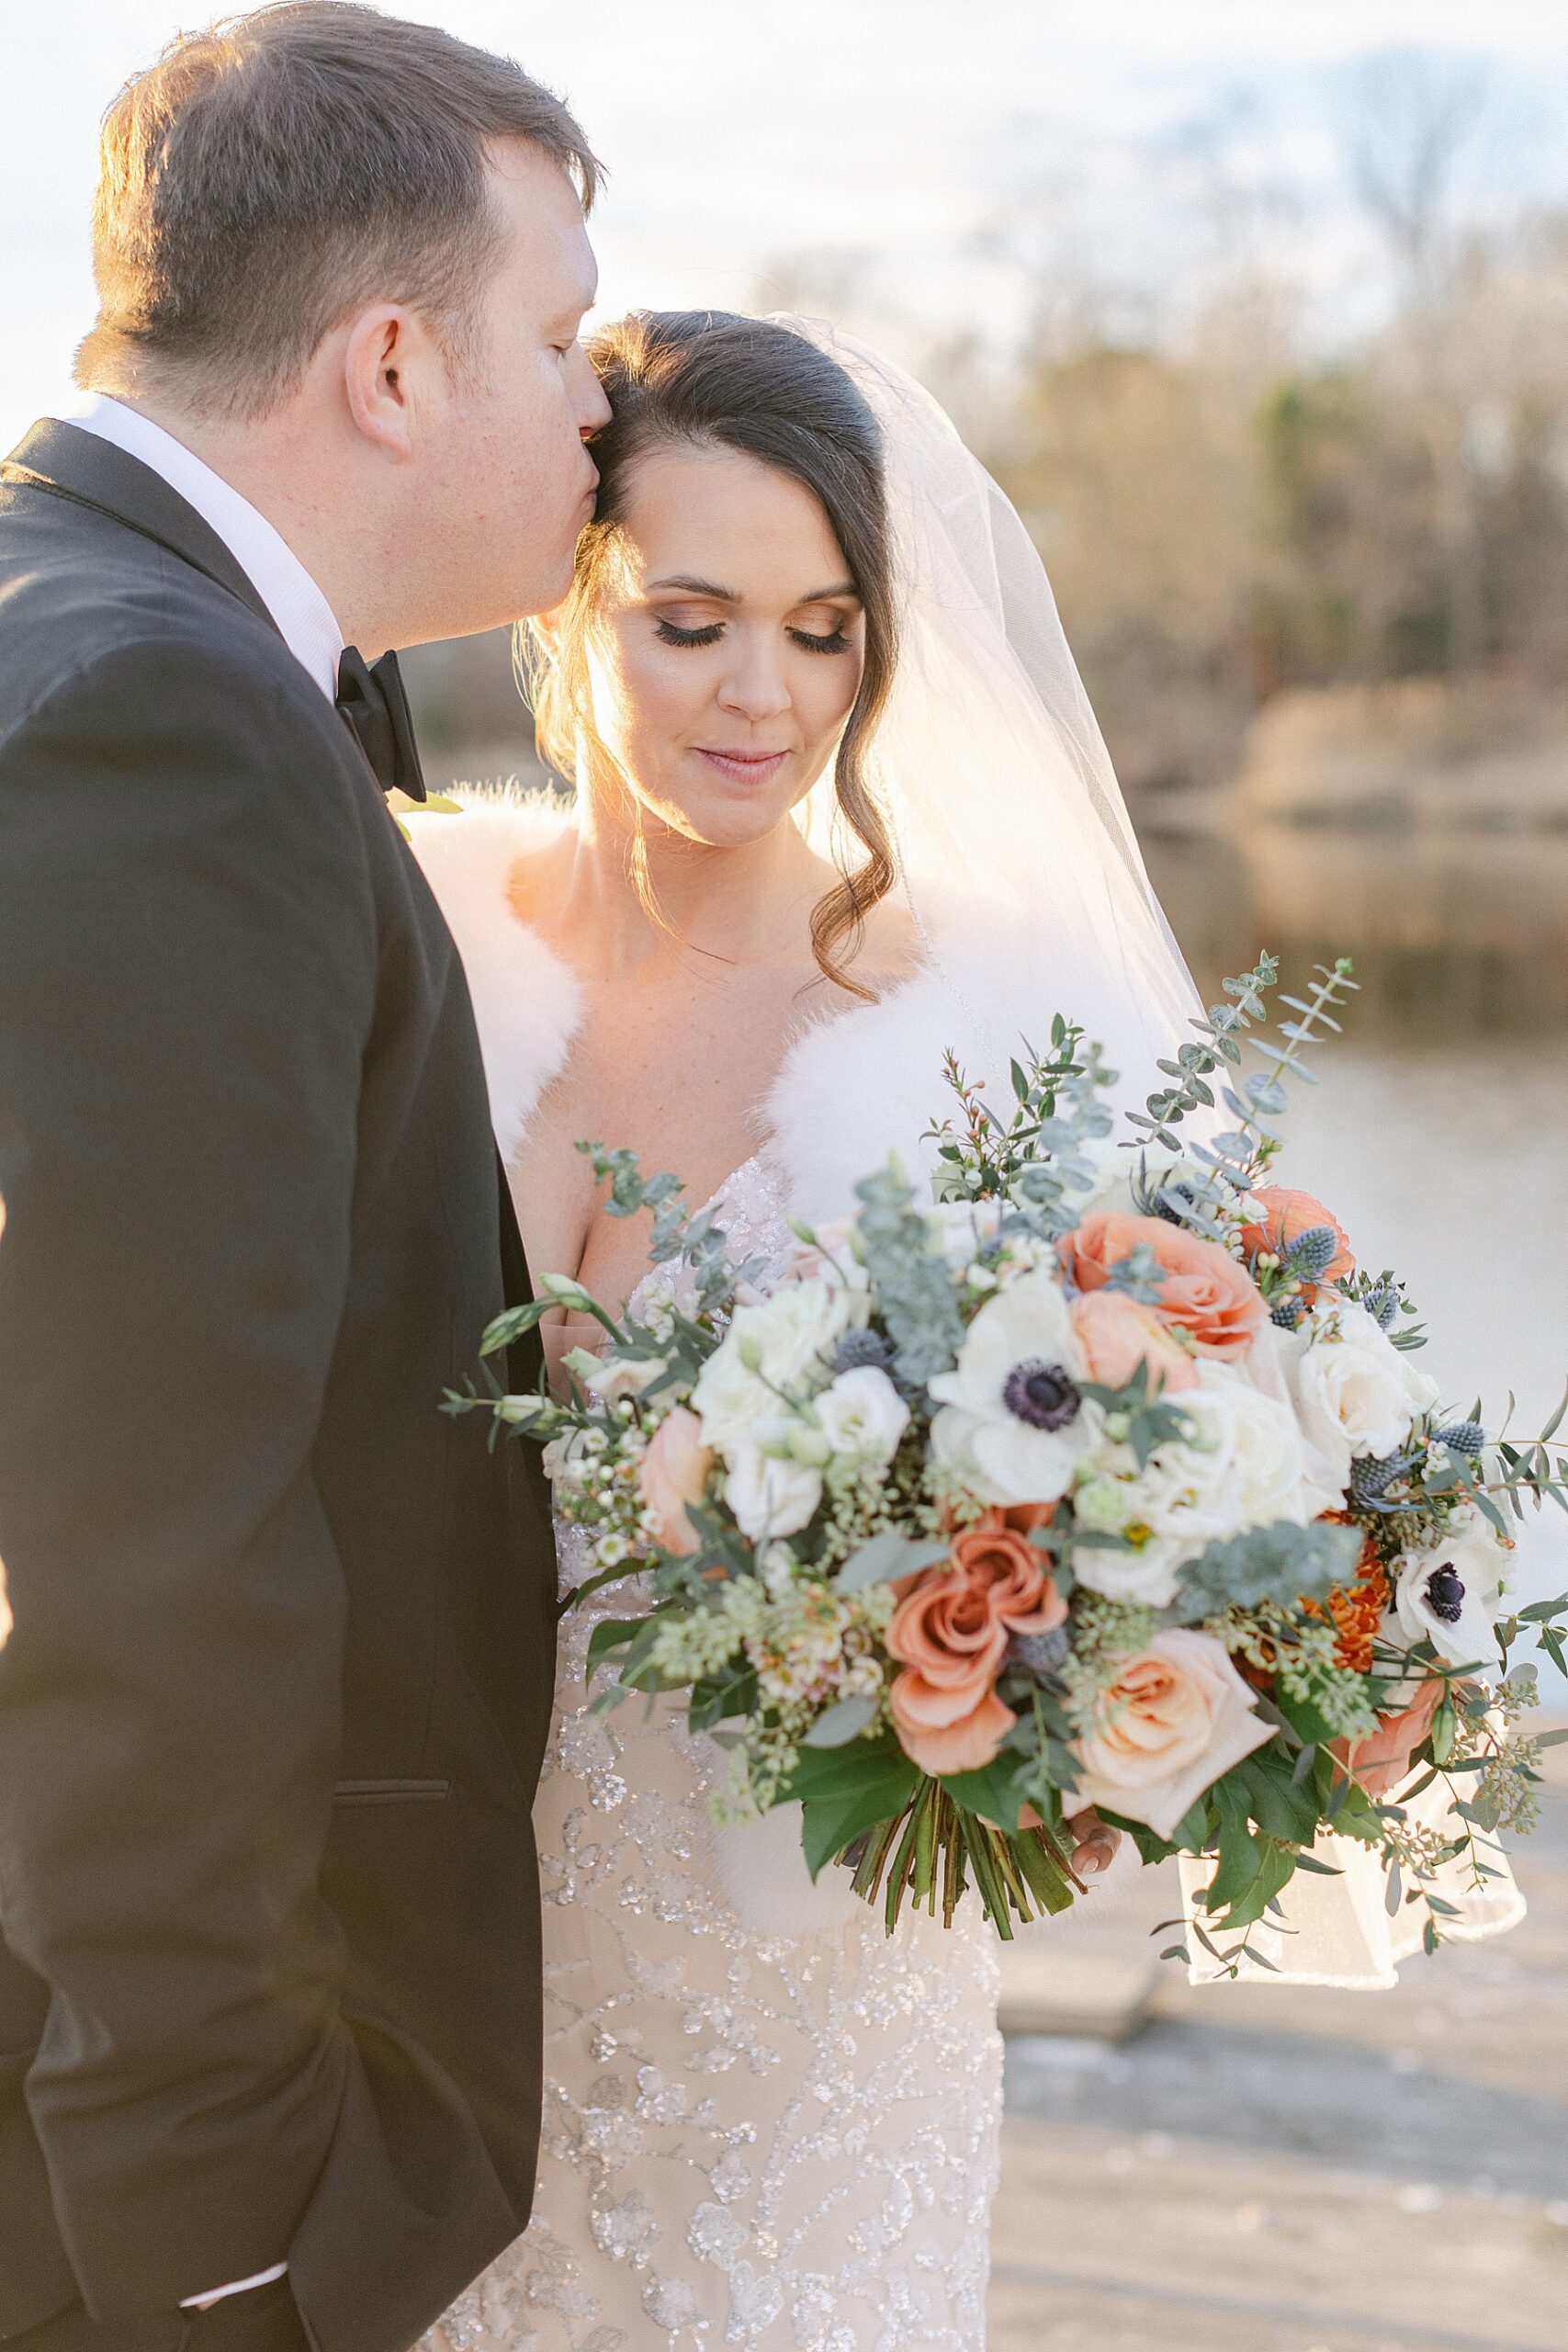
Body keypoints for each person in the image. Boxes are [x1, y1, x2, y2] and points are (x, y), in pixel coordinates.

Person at [403, 310, 1156, 2352]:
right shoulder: (411, 936)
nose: (766, 694)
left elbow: (1118, 1529)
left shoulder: (975, 1036)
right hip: (396, 1984)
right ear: (569, 609)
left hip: (796, 2006)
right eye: (692, 618)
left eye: (824, 628)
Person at [0, 11, 607, 2352]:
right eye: (552, 339)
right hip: (131, 2181)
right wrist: (214, 2227)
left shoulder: (92, 626)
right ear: (384, 359)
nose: (592, 407)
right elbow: (137, 1527)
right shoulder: (161, 716)